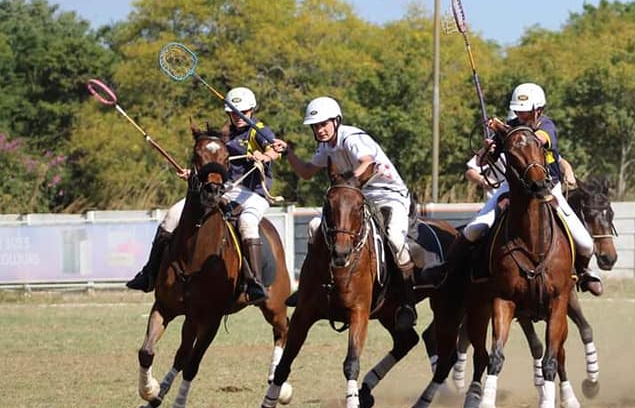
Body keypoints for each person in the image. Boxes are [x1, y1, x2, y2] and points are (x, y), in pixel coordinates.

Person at [126, 86, 283, 304]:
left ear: (252, 111)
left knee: (247, 223)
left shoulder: (257, 130)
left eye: (243, 113)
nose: (238, 117)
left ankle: (254, 282)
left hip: (253, 193)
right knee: (172, 215)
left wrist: (265, 156)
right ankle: (149, 273)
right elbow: (213, 163)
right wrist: (193, 173)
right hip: (226, 189)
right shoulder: (225, 134)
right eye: (234, 113)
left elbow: (274, 148)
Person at [274, 96, 418, 329]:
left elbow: (367, 161)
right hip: (356, 198)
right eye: (315, 126)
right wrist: (288, 153)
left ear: (336, 121)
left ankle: (407, 303)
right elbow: (307, 172)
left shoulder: (351, 138)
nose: (320, 130)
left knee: (394, 238)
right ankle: (309, 290)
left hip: (389, 194)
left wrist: (349, 183)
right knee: (315, 227)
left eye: (324, 124)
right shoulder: (325, 147)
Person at [447, 82, 603, 295]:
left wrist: (503, 130)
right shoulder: (510, 126)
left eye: (525, 112)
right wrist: (489, 148)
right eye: (518, 111)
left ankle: (584, 272)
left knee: (585, 243)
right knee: (474, 229)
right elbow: (483, 162)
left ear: (538, 110)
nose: (521, 115)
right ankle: (447, 271)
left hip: (549, 189)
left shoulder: (547, 126)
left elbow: (533, 139)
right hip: (511, 189)